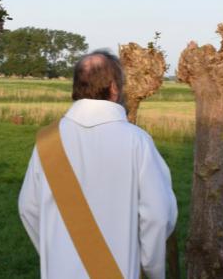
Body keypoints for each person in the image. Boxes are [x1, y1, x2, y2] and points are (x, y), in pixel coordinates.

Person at [19, 50, 178, 278]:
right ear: (114, 88)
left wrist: (54, 252)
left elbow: (28, 207)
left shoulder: (48, 140)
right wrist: (152, 268)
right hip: (118, 270)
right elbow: (158, 216)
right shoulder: (137, 141)